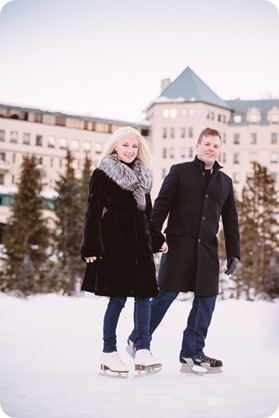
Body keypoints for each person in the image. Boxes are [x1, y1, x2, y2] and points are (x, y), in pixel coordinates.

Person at [127, 127, 241, 374]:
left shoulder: (225, 182)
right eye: (207, 144)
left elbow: (231, 221)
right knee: (165, 295)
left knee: (207, 300)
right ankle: (137, 338)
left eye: (215, 145)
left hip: (208, 251)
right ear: (197, 146)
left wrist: (235, 253)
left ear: (219, 150)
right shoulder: (180, 172)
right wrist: (152, 238)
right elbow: (161, 207)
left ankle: (192, 352)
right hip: (177, 246)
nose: (211, 148)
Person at [80, 126, 168, 377]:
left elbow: (148, 215)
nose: (130, 150)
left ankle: (143, 350)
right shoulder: (102, 173)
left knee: (144, 297)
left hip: (140, 244)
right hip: (115, 241)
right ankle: (109, 353)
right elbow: (92, 212)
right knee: (117, 299)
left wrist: (156, 239)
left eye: (134, 146)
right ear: (115, 146)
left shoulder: (143, 176)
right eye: (125, 145)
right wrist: (91, 246)